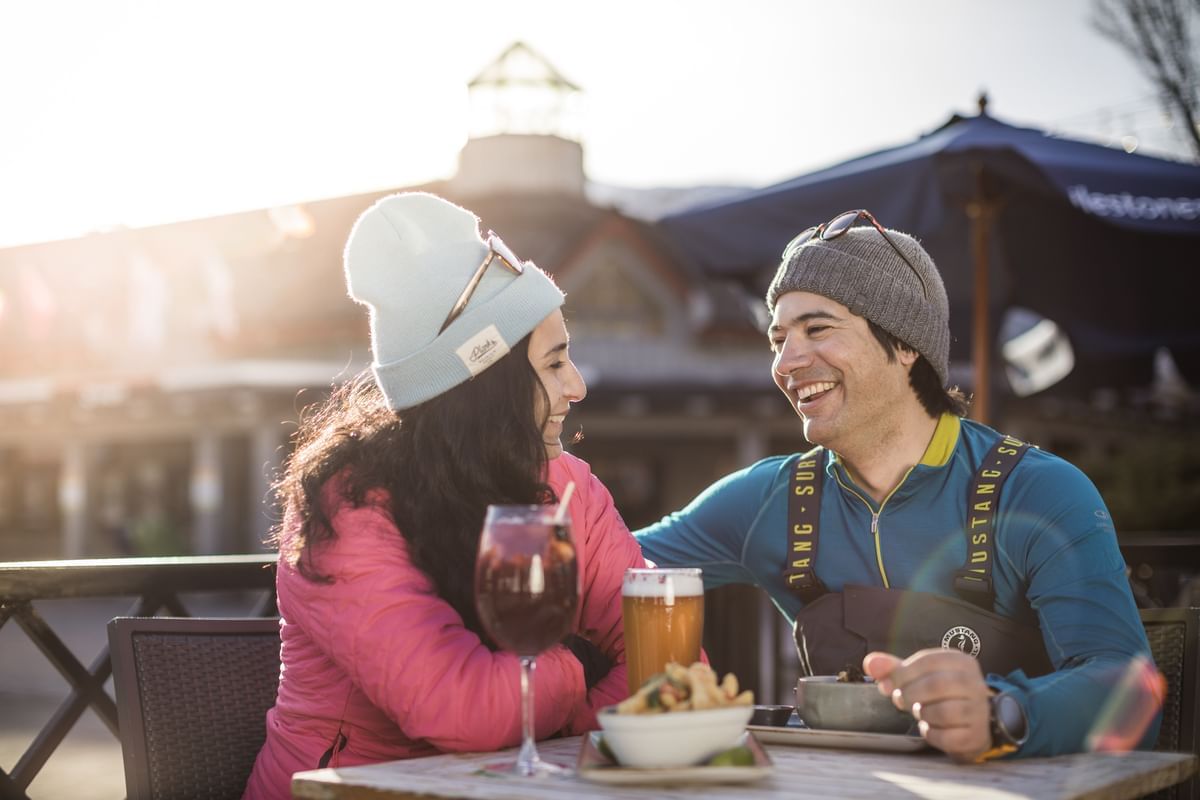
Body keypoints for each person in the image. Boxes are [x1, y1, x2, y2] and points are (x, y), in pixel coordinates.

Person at [636, 210, 1161, 762]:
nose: (786, 363)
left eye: (818, 329)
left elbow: (1129, 689)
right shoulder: (765, 500)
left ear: (906, 343)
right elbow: (607, 569)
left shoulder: (1039, 491)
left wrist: (1000, 712)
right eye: (778, 339)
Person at [244, 193, 645, 798]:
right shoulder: (349, 508)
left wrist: (562, 732)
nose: (578, 385)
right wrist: (579, 668)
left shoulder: (568, 487)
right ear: (485, 379)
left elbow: (663, 658)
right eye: (556, 362)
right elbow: (458, 709)